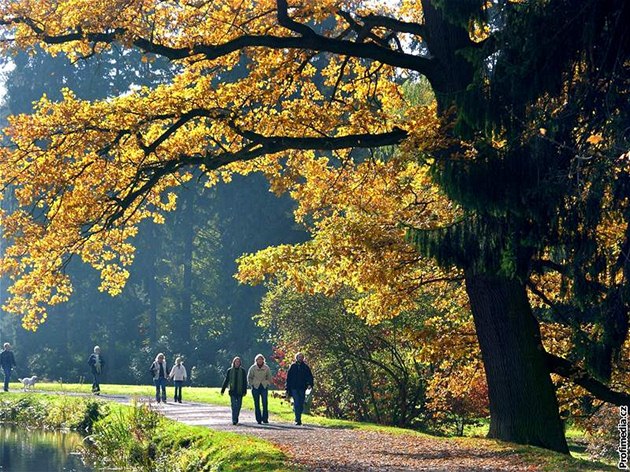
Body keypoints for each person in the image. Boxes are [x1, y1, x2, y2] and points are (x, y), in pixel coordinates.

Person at [286, 352, 314, 425]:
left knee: (301, 403)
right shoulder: (293, 366)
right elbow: (289, 377)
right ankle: (297, 419)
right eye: (299, 357)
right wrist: (287, 388)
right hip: (294, 387)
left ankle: (299, 417)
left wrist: (310, 384)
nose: (300, 358)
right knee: (297, 402)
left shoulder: (305, 367)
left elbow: (310, 377)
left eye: (301, 357)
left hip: (302, 387)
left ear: (303, 358)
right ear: (296, 358)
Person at [220, 356, 248, 425]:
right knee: (233, 406)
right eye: (236, 361)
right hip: (232, 391)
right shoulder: (230, 371)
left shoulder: (243, 371)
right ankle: (234, 420)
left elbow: (245, 382)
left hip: (240, 391)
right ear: (234, 362)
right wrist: (223, 389)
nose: (237, 363)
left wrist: (245, 391)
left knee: (238, 406)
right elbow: (226, 380)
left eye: (238, 362)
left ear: (240, 363)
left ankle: (236, 417)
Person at [247, 354, 272, 424]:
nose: (260, 360)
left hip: (264, 386)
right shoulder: (253, 368)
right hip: (255, 386)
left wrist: (267, 383)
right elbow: (249, 377)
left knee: (265, 403)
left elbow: (269, 377)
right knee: (256, 403)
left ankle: (265, 418)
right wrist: (252, 384)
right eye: (258, 359)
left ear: (263, 360)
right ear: (256, 360)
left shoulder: (266, 368)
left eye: (261, 359)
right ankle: (258, 419)